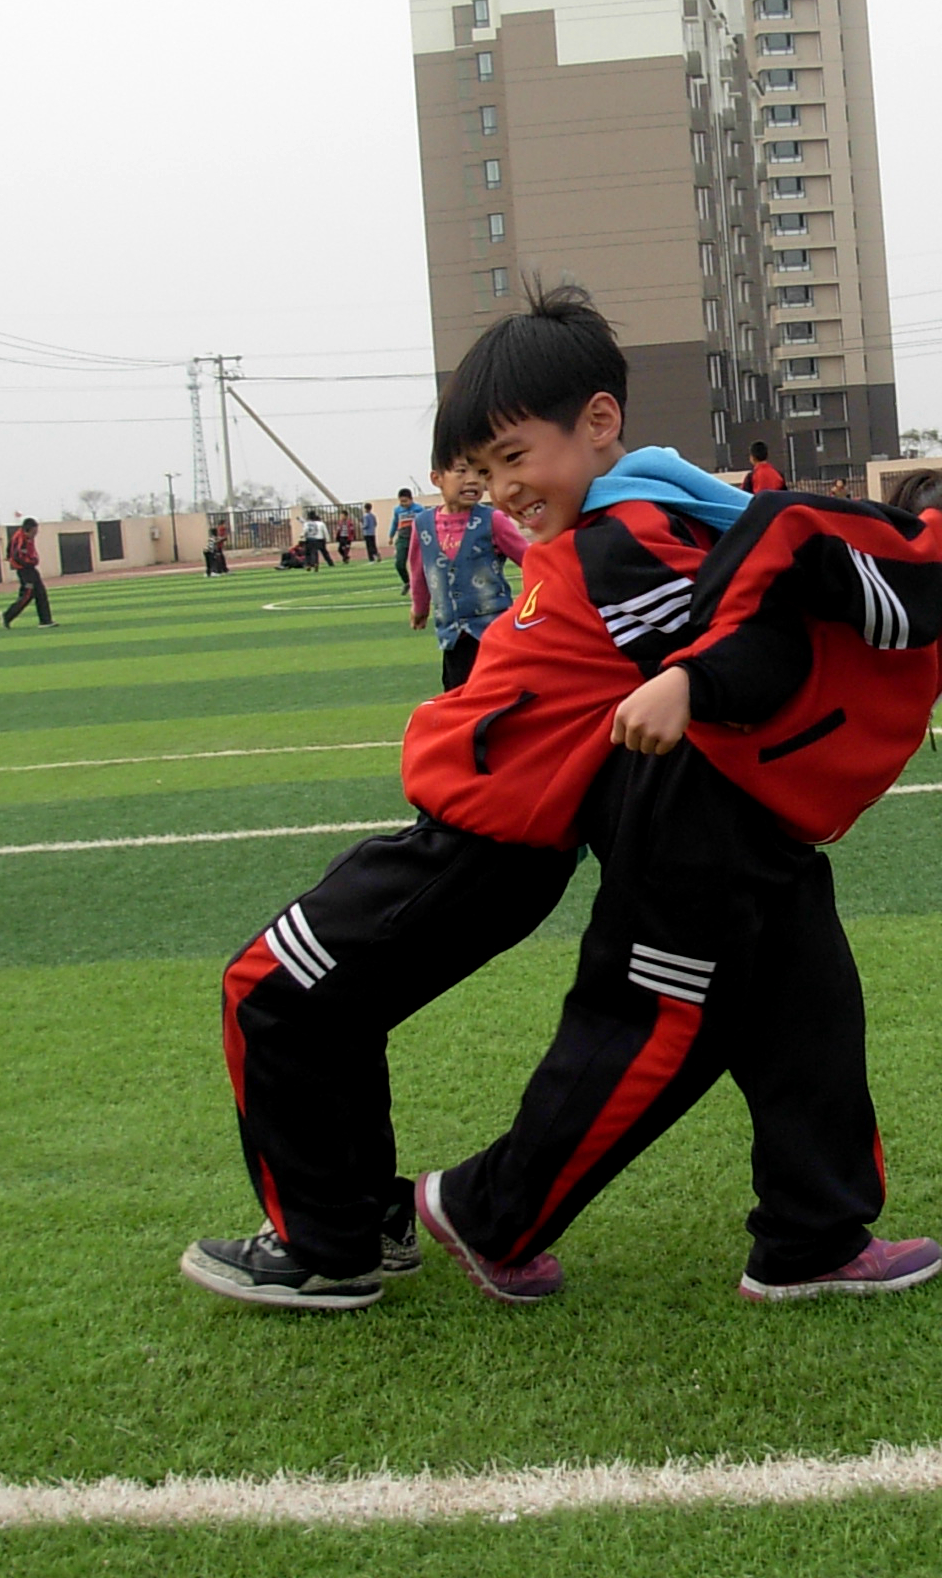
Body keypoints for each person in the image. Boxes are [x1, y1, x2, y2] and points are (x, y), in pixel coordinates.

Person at [416, 437, 942, 1307]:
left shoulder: (934, 597)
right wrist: (695, 677)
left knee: (814, 1019)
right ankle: (485, 1211)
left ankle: (811, 1240)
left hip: (768, 837)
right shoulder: (898, 549)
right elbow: (783, 531)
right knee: (652, 1028)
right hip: (702, 814)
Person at [181, 287, 752, 1312]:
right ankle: (365, 1219)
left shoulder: (633, 540)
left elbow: (751, 608)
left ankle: (323, 1250)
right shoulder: (593, 536)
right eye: (483, 476)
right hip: (466, 842)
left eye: (512, 462)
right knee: (325, 1006)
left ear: (599, 423)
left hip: (480, 854)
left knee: (267, 989)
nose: (499, 494)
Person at [408, 459, 528, 692]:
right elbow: (418, 569)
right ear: (437, 479)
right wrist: (420, 607)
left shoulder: (493, 520)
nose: (472, 480)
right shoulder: (422, 524)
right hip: (453, 639)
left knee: (499, 697)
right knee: (459, 699)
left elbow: (530, 559)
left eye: (480, 472)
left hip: (494, 634)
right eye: (461, 472)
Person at [2, 517, 54, 627]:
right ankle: (7, 615)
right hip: (25, 571)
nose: (36, 534)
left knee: (41, 593)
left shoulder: (26, 537)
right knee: (27, 595)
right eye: (35, 531)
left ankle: (45, 621)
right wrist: (29, 563)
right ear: (28, 530)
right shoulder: (19, 538)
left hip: (30, 569)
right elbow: (16, 556)